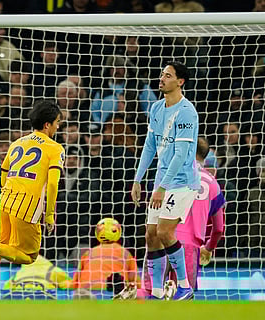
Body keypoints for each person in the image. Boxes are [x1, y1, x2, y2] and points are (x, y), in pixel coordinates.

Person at [0, 99, 65, 302]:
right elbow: (52, 185)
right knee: (29, 257)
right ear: (47, 124)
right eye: (57, 122)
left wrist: (7, 193)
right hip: (28, 207)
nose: (58, 126)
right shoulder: (55, 148)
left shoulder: (17, 143)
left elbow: (4, 172)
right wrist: (50, 215)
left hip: (5, 201)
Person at [131, 61, 200, 300]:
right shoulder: (157, 108)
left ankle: (184, 286)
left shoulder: (187, 112)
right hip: (161, 181)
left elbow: (181, 155)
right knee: (151, 234)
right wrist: (138, 179)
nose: (162, 79)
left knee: (164, 232)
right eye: (162, 74)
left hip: (182, 183)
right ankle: (157, 292)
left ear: (180, 81)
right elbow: (150, 147)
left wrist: (160, 187)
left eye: (168, 76)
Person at [131, 137, 226, 300]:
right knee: (183, 298)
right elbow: (218, 229)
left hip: (161, 240)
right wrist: (208, 248)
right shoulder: (213, 184)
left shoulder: (169, 174)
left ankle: (129, 300)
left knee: (149, 292)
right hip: (189, 246)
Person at [71, 218, 139, 299]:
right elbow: (135, 283)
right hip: (114, 292)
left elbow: (74, 282)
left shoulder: (88, 253)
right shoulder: (126, 254)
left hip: (88, 290)